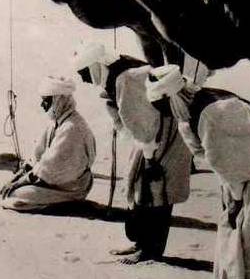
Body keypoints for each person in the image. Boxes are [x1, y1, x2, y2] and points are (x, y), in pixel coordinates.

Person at [145, 64, 250, 279]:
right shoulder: (194, 107)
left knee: (246, 240)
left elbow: (235, 164)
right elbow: (215, 158)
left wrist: (235, 200)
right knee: (229, 234)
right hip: (240, 178)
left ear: (172, 99)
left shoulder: (214, 113)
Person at [72, 42, 192, 264]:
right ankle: (141, 243)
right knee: (141, 186)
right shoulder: (118, 75)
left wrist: (149, 157)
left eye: (84, 72)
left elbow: (142, 120)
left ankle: (151, 250)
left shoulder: (125, 78)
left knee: (156, 189)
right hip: (154, 133)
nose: (84, 79)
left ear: (96, 65)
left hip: (163, 133)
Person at [0, 76, 96, 211]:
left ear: (58, 100)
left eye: (46, 101)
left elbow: (48, 169)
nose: (42, 105)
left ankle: (66, 203)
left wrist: (19, 182)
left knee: (17, 196)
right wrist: (16, 178)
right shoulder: (58, 121)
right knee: (12, 192)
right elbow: (37, 156)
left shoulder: (71, 127)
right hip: (56, 180)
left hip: (73, 186)